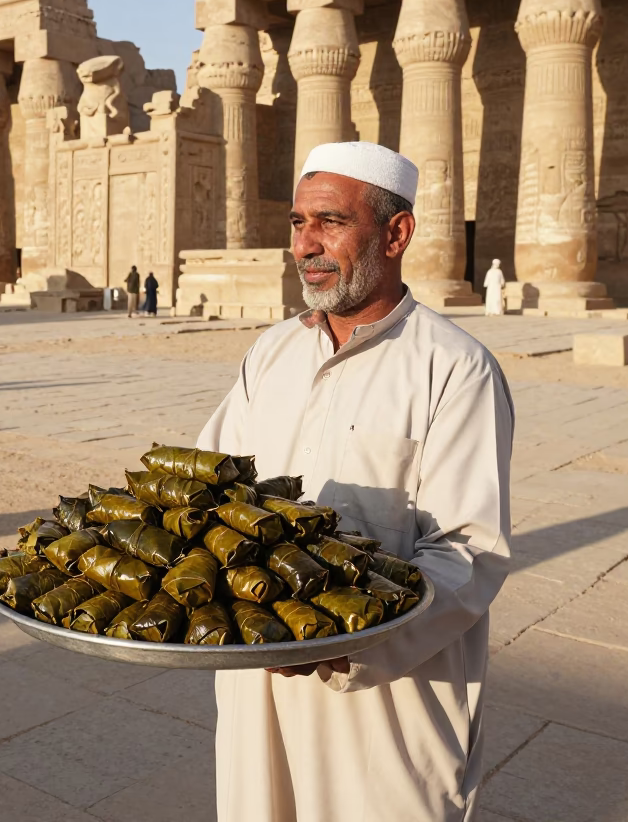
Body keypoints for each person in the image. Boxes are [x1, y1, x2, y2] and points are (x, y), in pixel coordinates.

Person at [198, 141, 513, 822]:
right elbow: (212, 495)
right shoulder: (272, 352)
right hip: (260, 688)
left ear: (396, 234)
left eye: (331, 222)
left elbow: (470, 550)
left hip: (388, 700)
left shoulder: (454, 368)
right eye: (297, 223)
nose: (306, 245)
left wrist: (344, 646)